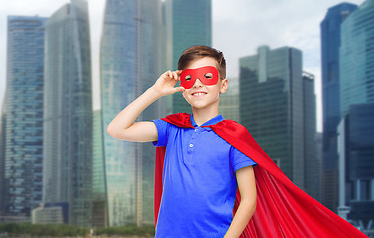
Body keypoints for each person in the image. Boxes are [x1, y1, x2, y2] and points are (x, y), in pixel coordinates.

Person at [107, 46, 368, 238]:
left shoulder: (234, 137)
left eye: (207, 76)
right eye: (189, 78)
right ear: (183, 87)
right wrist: (155, 91)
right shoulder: (171, 129)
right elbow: (117, 129)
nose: (197, 83)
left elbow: (249, 200)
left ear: (223, 85)